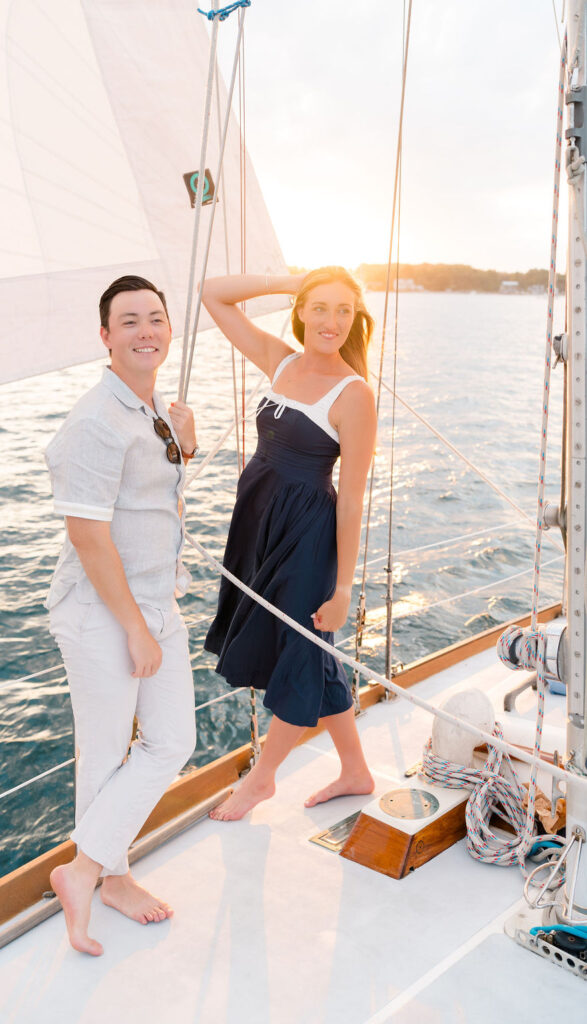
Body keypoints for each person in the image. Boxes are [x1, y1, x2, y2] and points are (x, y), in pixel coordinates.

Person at [45, 275, 198, 955]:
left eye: (155, 318)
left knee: (172, 741)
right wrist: (135, 628)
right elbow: (87, 535)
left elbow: (151, 492)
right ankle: (109, 877)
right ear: (105, 337)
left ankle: (84, 872)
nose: (146, 331)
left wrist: (186, 446)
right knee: (107, 753)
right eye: (129, 321)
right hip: (103, 612)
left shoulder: (151, 404)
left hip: (155, 600)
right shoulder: (94, 422)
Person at [202, 268, 377, 821]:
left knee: (301, 647)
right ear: (300, 310)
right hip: (260, 523)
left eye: (343, 310)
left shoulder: (354, 394)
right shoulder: (281, 361)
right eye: (319, 307)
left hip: (307, 536)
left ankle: (262, 779)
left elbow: (352, 500)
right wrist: (292, 280)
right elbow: (214, 295)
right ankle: (356, 770)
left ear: (355, 319)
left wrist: (344, 588)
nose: (332, 321)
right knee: (315, 648)